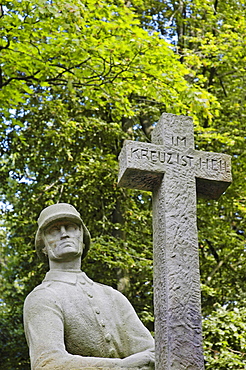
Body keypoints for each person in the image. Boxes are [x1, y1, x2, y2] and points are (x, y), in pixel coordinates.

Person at [24, 203, 155, 370]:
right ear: (43, 246)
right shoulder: (43, 297)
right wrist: (121, 366)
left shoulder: (112, 296)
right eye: (54, 230)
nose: (64, 235)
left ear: (83, 239)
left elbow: (150, 351)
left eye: (71, 227)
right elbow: (47, 363)